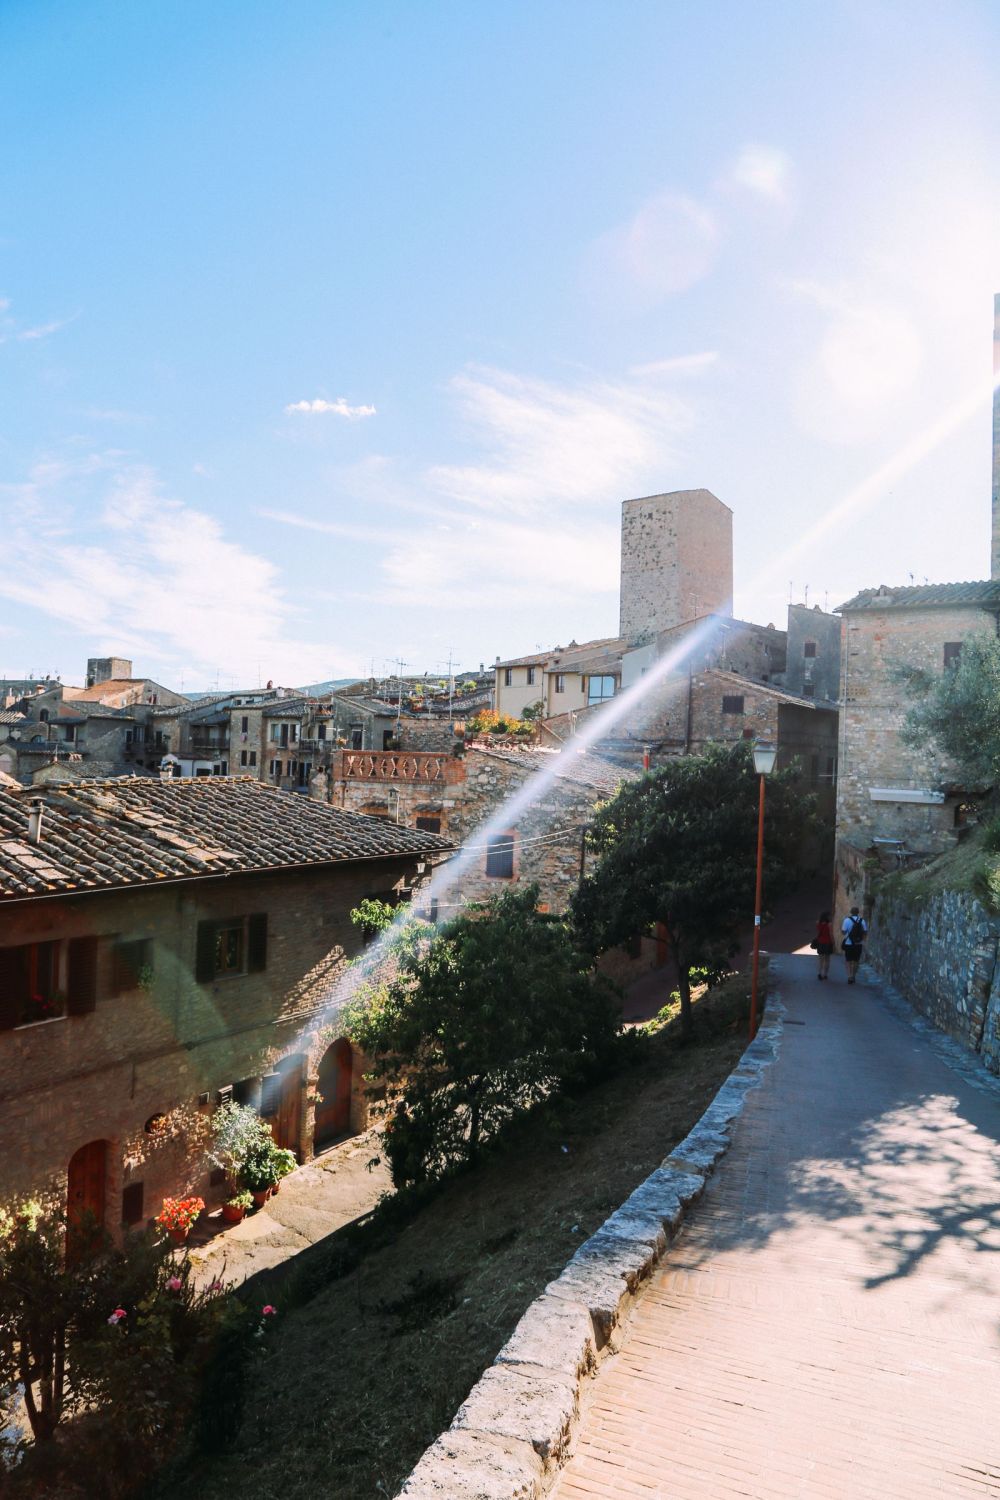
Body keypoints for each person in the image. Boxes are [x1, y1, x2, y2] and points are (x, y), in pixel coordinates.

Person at [841, 906, 867, 984]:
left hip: (849, 943)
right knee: (856, 961)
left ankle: (849, 976)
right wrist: (863, 940)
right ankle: (853, 975)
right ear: (858, 912)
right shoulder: (862, 921)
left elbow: (843, 932)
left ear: (851, 912)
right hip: (858, 944)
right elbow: (865, 932)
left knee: (848, 960)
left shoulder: (847, 920)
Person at [814, 910, 834, 980]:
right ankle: (825, 974)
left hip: (820, 942)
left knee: (821, 960)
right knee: (827, 960)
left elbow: (818, 932)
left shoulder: (817, 923)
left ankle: (820, 973)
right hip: (828, 943)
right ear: (827, 917)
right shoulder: (829, 924)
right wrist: (833, 942)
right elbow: (831, 934)